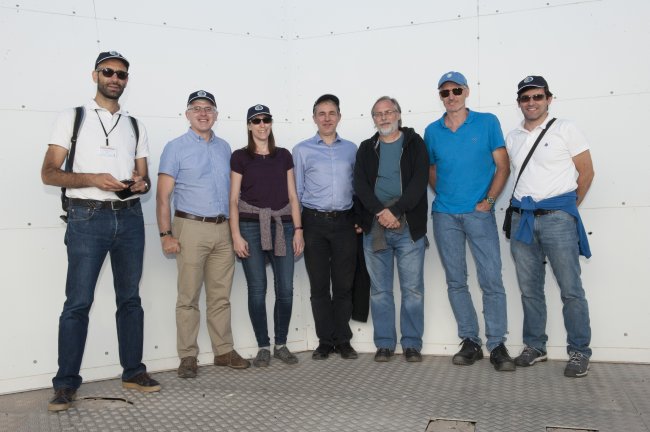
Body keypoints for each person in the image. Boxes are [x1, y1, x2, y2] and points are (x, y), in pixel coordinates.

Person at [41, 51, 160, 412]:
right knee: (78, 302)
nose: (114, 78)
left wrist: (140, 184)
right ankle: (65, 383)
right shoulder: (73, 117)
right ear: (95, 75)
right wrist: (93, 178)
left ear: (127, 80)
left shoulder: (134, 125)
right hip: (86, 217)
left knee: (130, 299)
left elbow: (145, 178)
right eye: (108, 72)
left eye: (121, 74)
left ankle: (133, 371)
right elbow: (49, 173)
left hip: (130, 217)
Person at [424, 71, 515, 371]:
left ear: (466, 91)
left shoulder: (487, 122)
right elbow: (432, 170)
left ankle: (497, 344)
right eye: (445, 92)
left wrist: (488, 202)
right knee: (455, 280)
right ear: (440, 96)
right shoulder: (432, 131)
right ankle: (470, 341)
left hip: (479, 214)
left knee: (491, 279)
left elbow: (503, 166)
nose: (451, 96)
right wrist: (447, 197)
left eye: (456, 90)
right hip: (444, 215)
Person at [156, 90, 250, 378]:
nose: (203, 113)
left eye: (208, 108)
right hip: (190, 228)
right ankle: (188, 355)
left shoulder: (225, 148)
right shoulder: (175, 147)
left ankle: (223, 351)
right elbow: (162, 196)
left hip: (223, 229)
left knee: (220, 296)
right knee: (188, 296)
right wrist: (165, 234)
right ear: (187, 114)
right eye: (196, 108)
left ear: (216, 115)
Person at [506, 75, 594, 378]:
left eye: (537, 96)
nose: (531, 102)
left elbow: (587, 172)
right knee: (529, 289)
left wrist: (566, 210)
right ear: (519, 102)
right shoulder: (513, 136)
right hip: (522, 219)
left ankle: (579, 351)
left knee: (571, 289)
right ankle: (535, 346)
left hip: (558, 218)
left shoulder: (565, 128)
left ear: (548, 99)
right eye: (525, 98)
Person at [354, 96, 429, 363]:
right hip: (376, 225)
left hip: (409, 226)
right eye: (378, 114)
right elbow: (360, 185)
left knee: (413, 290)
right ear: (373, 119)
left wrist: (396, 211)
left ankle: (411, 344)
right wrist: (380, 212)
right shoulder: (366, 148)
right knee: (380, 291)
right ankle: (384, 343)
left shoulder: (415, 144)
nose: (384, 117)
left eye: (389, 112)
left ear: (398, 114)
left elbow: (419, 181)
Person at [229, 104, 305, 367]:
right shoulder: (240, 157)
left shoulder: (283, 155)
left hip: (283, 226)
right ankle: (263, 345)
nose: (262, 125)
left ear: (271, 123)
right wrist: (236, 235)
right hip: (250, 227)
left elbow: (293, 196)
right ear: (249, 126)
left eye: (266, 120)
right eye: (256, 120)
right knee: (257, 289)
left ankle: (281, 344)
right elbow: (233, 199)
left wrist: (298, 230)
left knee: (285, 289)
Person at [293, 94, 359, 361]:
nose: (327, 118)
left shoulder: (352, 149)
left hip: (344, 223)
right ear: (314, 118)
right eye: (322, 113)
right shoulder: (302, 150)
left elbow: (357, 188)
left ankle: (343, 340)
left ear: (339, 117)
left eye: (332, 113)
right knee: (319, 286)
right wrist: (298, 228)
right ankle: (324, 341)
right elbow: (296, 192)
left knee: (343, 285)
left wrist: (358, 218)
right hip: (314, 223)